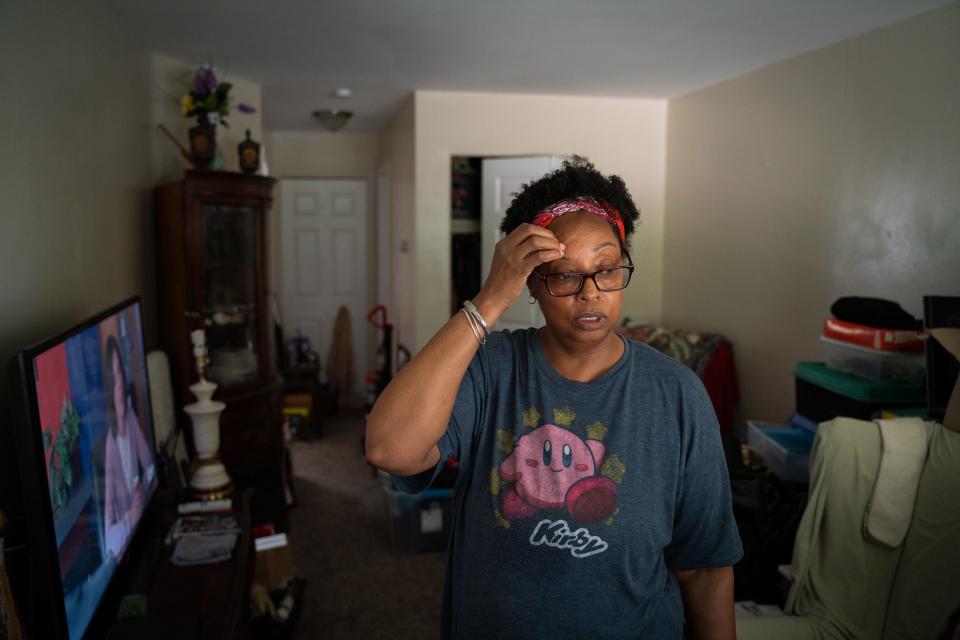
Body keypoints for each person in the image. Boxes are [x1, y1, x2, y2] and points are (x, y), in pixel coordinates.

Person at [366, 156, 742, 639]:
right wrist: (488, 301)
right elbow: (389, 449)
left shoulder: (677, 394)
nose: (591, 293)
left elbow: (706, 569)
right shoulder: (488, 369)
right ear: (532, 284)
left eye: (606, 269)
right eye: (564, 275)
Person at [102, 335, 155, 559]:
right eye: (114, 379)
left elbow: (151, 466)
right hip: (127, 553)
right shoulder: (110, 446)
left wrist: (142, 488)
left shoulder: (131, 419)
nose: (121, 384)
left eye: (121, 373)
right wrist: (129, 520)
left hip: (145, 536)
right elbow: (109, 541)